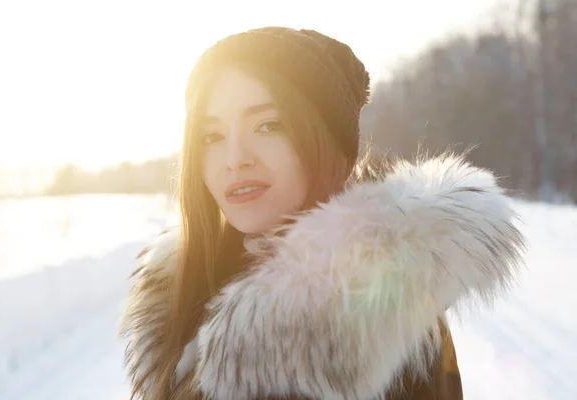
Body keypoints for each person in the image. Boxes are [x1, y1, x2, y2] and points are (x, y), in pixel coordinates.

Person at [120, 27, 525, 400]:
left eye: (267, 126)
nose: (235, 159)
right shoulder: (192, 290)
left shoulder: (381, 325)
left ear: (329, 140)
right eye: (212, 136)